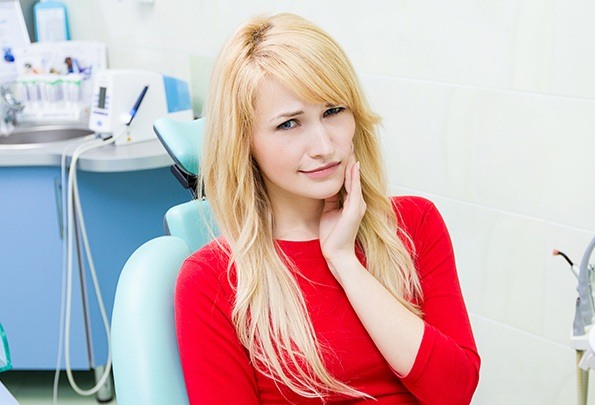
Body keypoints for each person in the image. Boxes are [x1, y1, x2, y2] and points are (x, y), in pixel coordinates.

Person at [175, 12, 480, 404]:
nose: (323, 145)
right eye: (289, 124)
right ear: (244, 142)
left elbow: (454, 391)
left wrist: (345, 263)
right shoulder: (212, 282)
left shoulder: (415, 224)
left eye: (333, 111)